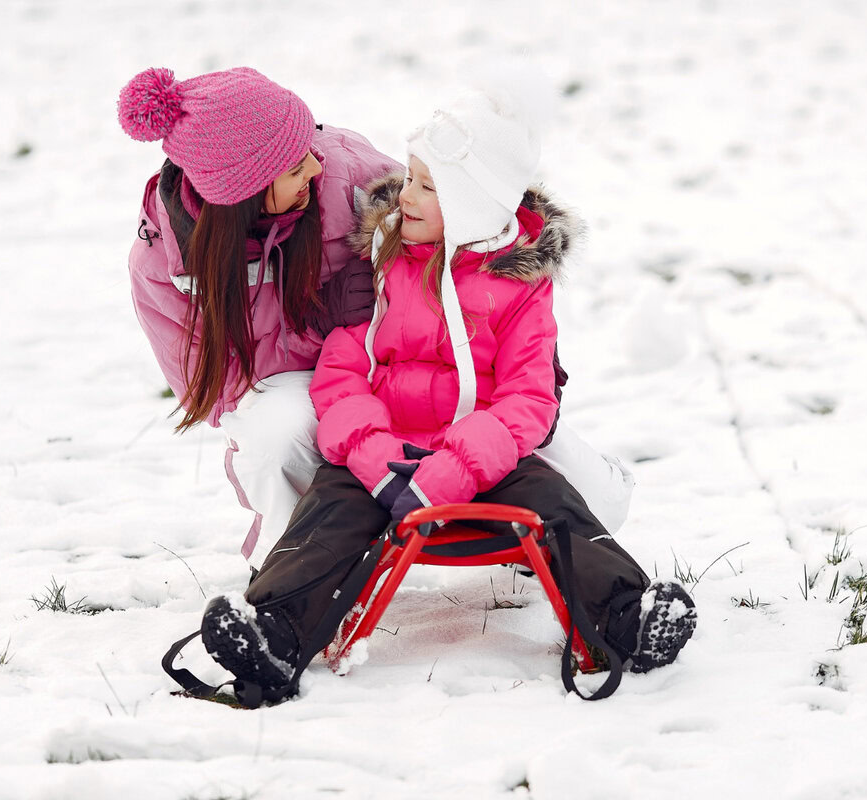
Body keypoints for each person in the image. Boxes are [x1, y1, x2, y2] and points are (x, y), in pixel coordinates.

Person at [196, 85, 698, 703]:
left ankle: (626, 618)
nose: (403, 195)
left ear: (471, 204)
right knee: (328, 516)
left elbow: (528, 397)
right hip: (385, 460)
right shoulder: (382, 262)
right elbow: (343, 364)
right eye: (410, 178)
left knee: (559, 509)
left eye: (426, 186)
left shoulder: (520, 285)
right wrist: (372, 455)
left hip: (485, 461)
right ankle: (275, 634)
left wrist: (457, 467)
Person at [119, 67, 636, 573]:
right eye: (296, 166)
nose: (316, 168)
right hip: (329, 378)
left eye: (311, 149)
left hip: (429, 364)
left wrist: (524, 361)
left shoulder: (348, 172)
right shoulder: (166, 267)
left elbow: (465, 208)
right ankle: (290, 569)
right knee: (284, 434)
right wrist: (347, 402)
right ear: (246, 190)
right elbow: (208, 382)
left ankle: (577, 507)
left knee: (575, 487)